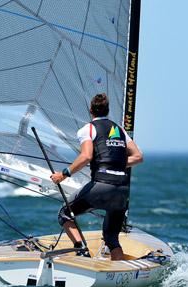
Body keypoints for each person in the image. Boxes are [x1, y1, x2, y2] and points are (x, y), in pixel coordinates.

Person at [51, 93, 143, 260]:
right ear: (107, 111)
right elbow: (138, 157)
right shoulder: (119, 130)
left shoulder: (88, 129)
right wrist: (115, 163)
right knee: (111, 238)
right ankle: (119, 274)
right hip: (122, 190)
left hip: (101, 186)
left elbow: (86, 156)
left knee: (65, 213)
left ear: (90, 110)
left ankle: (81, 250)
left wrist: (63, 175)